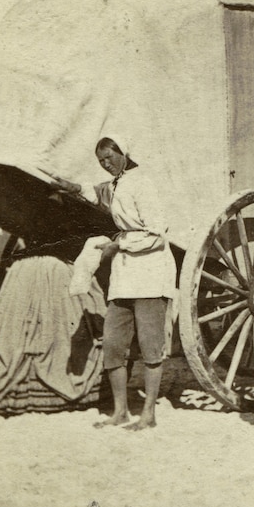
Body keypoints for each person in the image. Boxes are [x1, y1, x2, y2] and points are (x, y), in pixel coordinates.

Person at [57, 135, 176, 430]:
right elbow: (100, 193)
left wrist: (119, 246)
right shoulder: (116, 183)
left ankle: (148, 414)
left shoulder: (143, 183)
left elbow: (157, 232)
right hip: (125, 276)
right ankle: (120, 411)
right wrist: (74, 188)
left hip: (150, 270)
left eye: (109, 158)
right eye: (101, 162)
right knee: (113, 343)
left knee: (150, 346)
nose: (106, 164)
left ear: (124, 153)